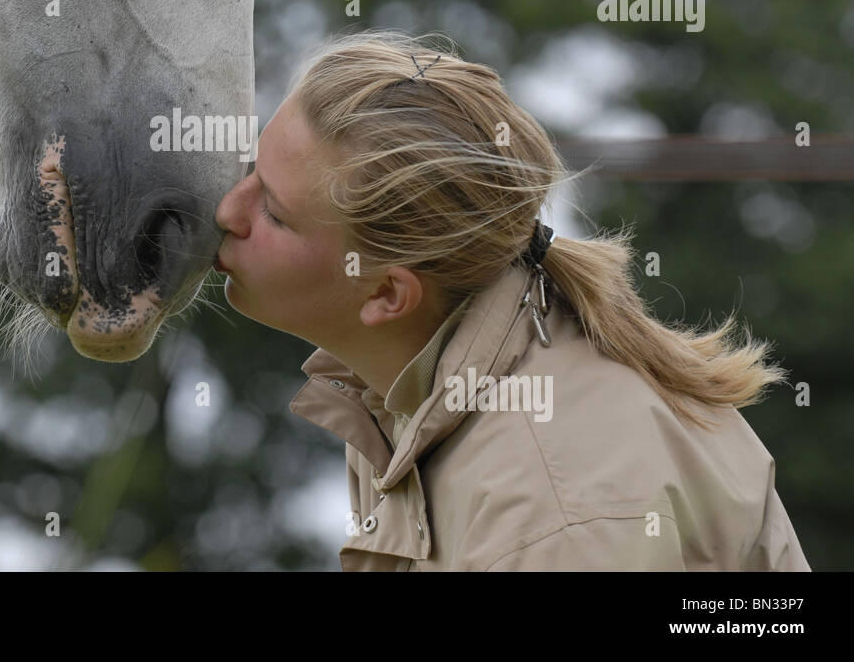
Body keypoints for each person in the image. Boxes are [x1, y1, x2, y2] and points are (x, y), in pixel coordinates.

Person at [212, 29, 810, 571]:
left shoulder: (556, 523)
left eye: (274, 212)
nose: (227, 211)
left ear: (388, 294)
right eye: (253, 172)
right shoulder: (398, 390)